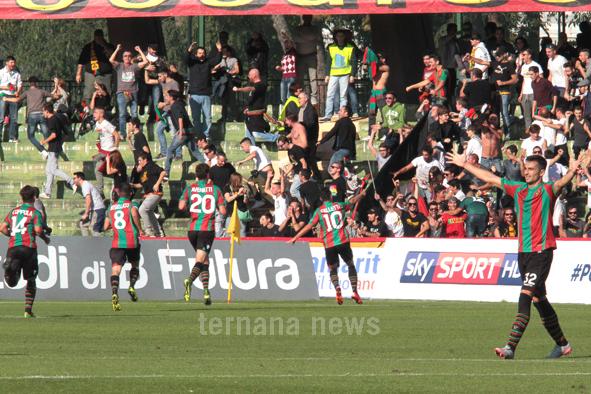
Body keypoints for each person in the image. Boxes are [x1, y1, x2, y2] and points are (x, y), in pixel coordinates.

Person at [447, 150, 584, 360]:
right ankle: (563, 345)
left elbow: (562, 182)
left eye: (531, 170)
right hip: (523, 253)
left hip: (541, 252)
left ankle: (510, 347)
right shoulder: (518, 189)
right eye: (525, 168)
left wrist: (573, 171)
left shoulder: (547, 190)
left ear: (541, 173)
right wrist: (464, 164)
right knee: (540, 300)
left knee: (525, 296)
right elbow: (490, 178)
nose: (526, 172)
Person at [289, 188, 365, 305]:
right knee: (350, 265)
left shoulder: (319, 211)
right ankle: (355, 292)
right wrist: (361, 194)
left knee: (333, 269)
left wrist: (295, 238)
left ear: (320, 199)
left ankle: (338, 288)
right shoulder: (339, 205)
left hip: (329, 244)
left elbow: (309, 226)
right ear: (330, 196)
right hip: (343, 241)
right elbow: (353, 200)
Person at [179, 163, 226, 306]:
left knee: (205, 260)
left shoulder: (190, 189)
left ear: (196, 175)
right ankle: (189, 280)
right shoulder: (215, 190)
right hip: (207, 230)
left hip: (192, 230)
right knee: (200, 260)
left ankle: (206, 292)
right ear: (208, 175)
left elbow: (181, 206)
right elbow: (223, 212)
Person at [1, 185, 49, 318]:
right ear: (34, 197)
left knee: (11, 282)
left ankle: (9, 269)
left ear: (21, 198)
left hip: (13, 248)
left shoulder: (13, 212)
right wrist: (45, 239)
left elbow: (2, 228)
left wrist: (11, 234)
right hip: (29, 249)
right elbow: (39, 230)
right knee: (31, 279)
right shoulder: (35, 213)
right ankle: (28, 310)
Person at [103, 184, 144, 312]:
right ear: (130, 193)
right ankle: (131, 286)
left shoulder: (111, 207)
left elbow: (105, 227)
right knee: (135, 265)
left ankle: (115, 293)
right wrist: (140, 229)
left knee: (116, 270)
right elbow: (134, 214)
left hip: (117, 243)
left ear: (119, 193)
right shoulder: (132, 204)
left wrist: (114, 225)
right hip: (131, 241)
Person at [3, 76, 51, 156]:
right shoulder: (42, 91)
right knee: (46, 134)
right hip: (42, 114)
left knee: (31, 136)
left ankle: (43, 151)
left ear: (29, 83)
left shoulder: (27, 92)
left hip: (32, 115)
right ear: (36, 83)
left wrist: (6, 99)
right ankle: (52, 150)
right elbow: (54, 96)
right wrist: (58, 92)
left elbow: (17, 100)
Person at [186, 41, 222, 138]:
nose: (201, 55)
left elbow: (217, 60)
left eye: (203, 53)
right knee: (196, 118)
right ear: (196, 54)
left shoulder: (208, 62)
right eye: (199, 53)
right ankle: (198, 135)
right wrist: (190, 50)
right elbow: (186, 59)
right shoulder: (192, 63)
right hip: (194, 94)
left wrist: (219, 50)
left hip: (206, 94)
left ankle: (205, 135)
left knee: (208, 118)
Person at [164, 90, 204, 176]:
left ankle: (166, 172)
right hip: (190, 130)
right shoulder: (177, 104)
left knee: (170, 150)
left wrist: (181, 131)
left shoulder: (175, 106)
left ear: (171, 97)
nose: (165, 98)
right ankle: (208, 164)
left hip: (185, 131)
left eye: (167, 96)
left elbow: (180, 118)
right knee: (195, 151)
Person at [38, 104, 75, 199]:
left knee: (53, 170)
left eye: (43, 111)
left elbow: (54, 135)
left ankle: (71, 181)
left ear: (47, 111)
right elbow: (65, 133)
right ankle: (47, 192)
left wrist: (44, 141)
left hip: (54, 149)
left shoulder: (51, 120)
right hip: (55, 147)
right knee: (48, 170)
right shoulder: (57, 118)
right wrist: (59, 142)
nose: (43, 113)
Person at [144, 69, 181, 159]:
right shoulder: (162, 82)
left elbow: (176, 99)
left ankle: (178, 154)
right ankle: (164, 153)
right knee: (159, 130)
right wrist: (146, 70)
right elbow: (147, 81)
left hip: (173, 112)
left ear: (165, 74)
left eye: (160, 76)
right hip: (165, 112)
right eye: (158, 77)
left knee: (174, 133)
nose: (159, 78)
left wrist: (164, 104)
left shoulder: (174, 83)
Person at [234, 68, 275, 144]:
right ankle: (253, 152)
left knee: (257, 134)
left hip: (256, 116)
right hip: (249, 118)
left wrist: (238, 89)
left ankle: (276, 137)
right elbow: (251, 101)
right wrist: (246, 109)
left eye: (249, 75)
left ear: (254, 75)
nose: (248, 77)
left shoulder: (261, 85)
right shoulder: (254, 87)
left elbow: (250, 88)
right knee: (249, 140)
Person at [322, 30, 356, 121]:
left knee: (343, 96)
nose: (340, 38)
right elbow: (328, 62)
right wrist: (327, 75)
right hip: (333, 74)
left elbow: (353, 62)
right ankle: (328, 115)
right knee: (329, 94)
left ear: (344, 37)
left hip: (345, 74)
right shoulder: (331, 47)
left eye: (341, 36)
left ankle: (342, 114)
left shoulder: (350, 47)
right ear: (335, 37)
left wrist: (352, 75)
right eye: (338, 36)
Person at [132, 153, 167, 237]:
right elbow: (141, 185)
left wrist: (157, 184)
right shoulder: (143, 171)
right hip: (150, 194)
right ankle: (159, 232)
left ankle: (149, 230)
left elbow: (163, 172)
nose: (139, 162)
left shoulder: (151, 165)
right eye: (138, 161)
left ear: (145, 160)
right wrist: (132, 185)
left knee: (142, 209)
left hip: (155, 193)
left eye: (140, 160)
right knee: (149, 211)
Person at [76, 29, 115, 102]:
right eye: (97, 37)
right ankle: (90, 111)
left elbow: (113, 55)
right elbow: (81, 61)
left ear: (103, 37)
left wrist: (104, 45)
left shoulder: (109, 46)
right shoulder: (88, 47)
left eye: (100, 36)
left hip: (105, 74)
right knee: (89, 94)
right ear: (94, 37)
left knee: (107, 93)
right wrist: (78, 74)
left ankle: (106, 109)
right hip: (91, 74)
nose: (98, 38)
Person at [293, 15, 322, 107]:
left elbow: (317, 37)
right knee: (300, 78)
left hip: (311, 56)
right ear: (303, 19)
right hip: (300, 56)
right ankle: (300, 95)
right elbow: (296, 39)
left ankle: (314, 98)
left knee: (313, 78)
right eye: (306, 18)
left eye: (309, 18)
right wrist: (310, 38)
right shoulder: (298, 28)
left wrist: (303, 38)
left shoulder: (314, 28)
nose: (307, 20)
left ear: (311, 19)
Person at [73, 172, 106, 237]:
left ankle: (98, 245)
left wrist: (86, 213)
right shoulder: (85, 185)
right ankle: (87, 242)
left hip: (97, 210)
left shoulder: (85, 185)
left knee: (94, 229)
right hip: (94, 210)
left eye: (74, 178)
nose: (73, 180)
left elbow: (88, 200)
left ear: (79, 178)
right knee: (82, 224)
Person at [519, 49, 544, 130]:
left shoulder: (536, 65)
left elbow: (542, 79)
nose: (523, 57)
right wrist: (521, 94)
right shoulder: (523, 66)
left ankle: (538, 131)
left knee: (535, 114)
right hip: (525, 93)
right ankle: (529, 132)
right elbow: (524, 80)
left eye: (524, 54)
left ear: (529, 55)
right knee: (526, 115)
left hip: (534, 93)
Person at [0, 56, 23, 142]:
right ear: (7, 63)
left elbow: (20, 85)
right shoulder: (1, 72)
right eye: (11, 62)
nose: (13, 64)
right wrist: (6, 88)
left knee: (14, 118)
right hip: (2, 95)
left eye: (14, 63)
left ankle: (12, 137)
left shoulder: (17, 74)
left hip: (13, 97)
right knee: (1, 118)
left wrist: (18, 91)